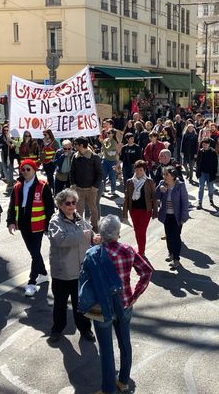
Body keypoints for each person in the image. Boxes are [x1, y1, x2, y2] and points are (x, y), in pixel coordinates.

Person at [80, 215, 153, 394]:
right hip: (125, 303)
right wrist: (135, 294)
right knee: (125, 343)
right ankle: (124, 381)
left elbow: (85, 280)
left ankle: (108, 389)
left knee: (106, 349)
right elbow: (146, 271)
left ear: (101, 235)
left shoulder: (93, 253)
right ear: (118, 233)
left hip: (101, 308)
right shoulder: (128, 249)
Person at [47, 188, 97, 342]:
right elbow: (60, 240)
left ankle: (85, 329)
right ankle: (57, 329)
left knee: (81, 304)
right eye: (68, 203)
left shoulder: (78, 217)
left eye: (74, 202)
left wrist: (94, 238)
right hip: (62, 272)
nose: (71, 206)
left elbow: (90, 232)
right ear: (60, 205)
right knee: (60, 304)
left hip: (79, 270)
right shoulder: (55, 221)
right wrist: (83, 235)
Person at [7, 159, 55, 297]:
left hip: (38, 225)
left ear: (34, 170)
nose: (25, 172)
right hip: (23, 224)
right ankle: (44, 274)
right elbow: (12, 206)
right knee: (34, 252)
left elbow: (49, 208)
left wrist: (48, 226)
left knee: (35, 252)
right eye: (23, 169)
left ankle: (32, 282)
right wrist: (10, 221)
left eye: (28, 169)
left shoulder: (42, 186)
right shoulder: (17, 187)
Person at [121, 160, 157, 260]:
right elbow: (127, 198)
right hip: (134, 210)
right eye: (137, 170)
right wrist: (124, 213)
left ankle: (141, 251)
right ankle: (141, 249)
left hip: (146, 211)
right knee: (137, 231)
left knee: (142, 231)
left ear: (144, 170)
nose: (138, 172)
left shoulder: (149, 182)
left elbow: (154, 197)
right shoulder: (129, 182)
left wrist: (155, 212)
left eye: (141, 170)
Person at [156, 166, 189, 270]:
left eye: (167, 174)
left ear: (173, 176)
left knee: (176, 236)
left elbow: (185, 202)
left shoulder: (180, 185)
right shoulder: (162, 183)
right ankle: (170, 253)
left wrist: (184, 216)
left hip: (177, 216)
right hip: (167, 215)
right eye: (164, 174)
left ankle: (176, 259)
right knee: (169, 236)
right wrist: (160, 190)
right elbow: (155, 196)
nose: (164, 176)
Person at [70, 137, 103, 232]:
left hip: (91, 189)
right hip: (79, 189)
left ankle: (95, 226)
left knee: (93, 209)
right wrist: (73, 184)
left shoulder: (94, 157)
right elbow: (72, 172)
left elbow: (99, 173)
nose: (74, 146)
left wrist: (95, 187)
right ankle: (80, 227)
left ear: (81, 145)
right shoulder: (75, 156)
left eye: (76, 144)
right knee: (79, 210)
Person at [196, 138, 218, 209]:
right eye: (203, 144)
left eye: (206, 144)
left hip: (210, 173)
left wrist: (215, 174)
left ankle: (211, 199)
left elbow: (215, 164)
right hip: (202, 172)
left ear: (209, 144)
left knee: (210, 188)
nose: (204, 146)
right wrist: (197, 172)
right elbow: (198, 162)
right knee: (201, 187)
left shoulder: (213, 152)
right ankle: (200, 202)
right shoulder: (200, 151)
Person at [0, 124, 17, 193]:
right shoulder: (0, 137)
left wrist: (9, 142)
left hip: (10, 154)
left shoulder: (12, 136)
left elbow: (14, 145)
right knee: (5, 167)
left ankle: (10, 183)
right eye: (4, 130)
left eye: (7, 130)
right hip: (4, 153)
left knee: (11, 167)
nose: (6, 131)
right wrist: (4, 143)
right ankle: (9, 181)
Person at [101, 129, 120, 196]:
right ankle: (102, 190)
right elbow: (103, 150)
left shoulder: (114, 142)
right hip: (105, 160)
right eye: (107, 132)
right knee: (103, 175)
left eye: (109, 133)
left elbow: (107, 149)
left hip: (112, 161)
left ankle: (113, 190)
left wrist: (102, 143)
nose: (108, 134)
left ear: (113, 134)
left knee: (112, 176)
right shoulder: (105, 140)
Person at [40, 129, 60, 194]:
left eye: (45, 134)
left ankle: (53, 189)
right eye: (43, 135)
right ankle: (50, 189)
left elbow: (57, 151)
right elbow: (41, 151)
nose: (44, 136)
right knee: (49, 177)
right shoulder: (42, 142)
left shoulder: (54, 142)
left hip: (51, 162)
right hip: (45, 162)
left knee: (50, 176)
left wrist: (53, 159)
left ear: (49, 134)